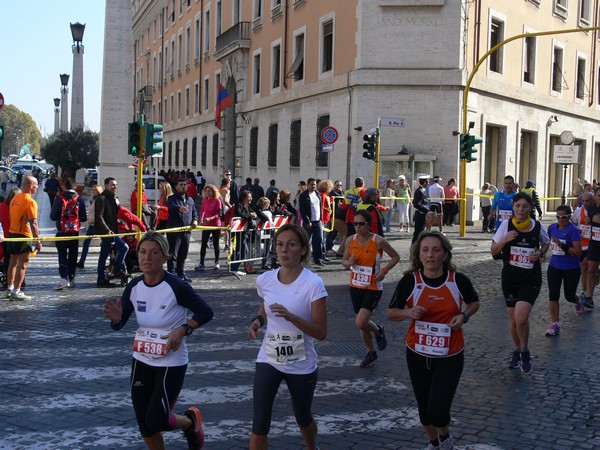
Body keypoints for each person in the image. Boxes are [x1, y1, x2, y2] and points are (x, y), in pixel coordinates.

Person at [102, 231, 214, 450]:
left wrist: (183, 330)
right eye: (143, 252)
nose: (147, 258)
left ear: (164, 257)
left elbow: (206, 312)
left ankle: (190, 422)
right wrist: (116, 319)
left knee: (156, 420)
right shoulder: (133, 286)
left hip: (170, 362)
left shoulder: (176, 286)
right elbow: (120, 323)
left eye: (154, 253)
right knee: (145, 426)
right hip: (142, 359)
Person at [387, 231, 480, 450]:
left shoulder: (458, 281)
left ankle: (445, 436)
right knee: (424, 409)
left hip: (450, 354)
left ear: (445, 255)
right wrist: (408, 313)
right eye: (425, 250)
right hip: (417, 353)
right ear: (418, 256)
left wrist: (463, 316)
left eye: (436, 250)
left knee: (438, 411)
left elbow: (474, 303)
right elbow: (391, 313)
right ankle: (434, 444)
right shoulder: (410, 281)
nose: (430, 255)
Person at [247, 223, 327, 450]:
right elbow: (266, 307)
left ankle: (312, 447)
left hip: (301, 362)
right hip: (269, 357)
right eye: (280, 245)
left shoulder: (313, 284)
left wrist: (293, 318)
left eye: (291, 245)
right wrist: (258, 321)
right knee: (259, 421)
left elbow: (321, 332)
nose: (284, 250)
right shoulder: (266, 280)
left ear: (302, 249)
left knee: (303, 417)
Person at [491, 192, 550, 373]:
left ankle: (525, 350)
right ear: (513, 207)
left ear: (530, 207)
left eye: (525, 206)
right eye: (518, 206)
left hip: (530, 278)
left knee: (521, 318)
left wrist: (540, 253)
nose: (521, 210)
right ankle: (516, 350)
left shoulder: (537, 226)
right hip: (510, 277)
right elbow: (493, 251)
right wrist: (504, 240)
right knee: (513, 320)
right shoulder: (505, 226)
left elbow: (546, 243)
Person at [341, 210, 400, 367]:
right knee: (362, 322)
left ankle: (378, 330)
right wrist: (348, 263)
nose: (357, 227)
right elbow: (344, 261)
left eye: (361, 224)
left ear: (369, 225)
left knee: (361, 322)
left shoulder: (378, 241)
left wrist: (384, 271)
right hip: (355, 285)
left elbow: (396, 256)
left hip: (373, 286)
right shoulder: (350, 240)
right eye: (355, 224)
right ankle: (370, 352)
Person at [545, 205, 582, 336]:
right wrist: (542, 253)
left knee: (569, 296)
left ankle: (579, 300)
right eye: (558, 217)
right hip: (555, 266)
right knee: (553, 295)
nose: (561, 220)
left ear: (569, 217)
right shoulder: (551, 228)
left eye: (564, 217)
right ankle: (555, 324)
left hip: (571, 268)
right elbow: (547, 243)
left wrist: (562, 246)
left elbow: (577, 251)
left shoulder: (573, 230)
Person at [6, 176, 42, 300]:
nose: (37, 187)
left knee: (12, 263)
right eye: (36, 185)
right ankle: (17, 291)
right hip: (24, 235)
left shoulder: (15, 198)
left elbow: (11, 216)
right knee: (22, 265)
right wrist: (37, 240)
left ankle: (10, 288)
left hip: (12, 233)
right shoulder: (30, 201)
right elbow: (33, 223)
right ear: (31, 186)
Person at [50, 178, 87, 290]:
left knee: (62, 254)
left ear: (64, 187)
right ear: (74, 187)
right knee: (73, 255)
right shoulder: (79, 199)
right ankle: (71, 278)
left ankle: (63, 278)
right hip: (74, 233)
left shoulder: (59, 198)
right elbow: (84, 217)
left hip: (61, 232)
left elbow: (52, 217)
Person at [95, 177, 129, 287]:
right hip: (107, 232)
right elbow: (99, 216)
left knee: (124, 247)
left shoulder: (113, 198)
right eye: (112, 185)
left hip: (114, 231)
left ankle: (117, 269)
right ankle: (101, 279)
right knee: (104, 256)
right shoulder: (101, 198)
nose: (115, 187)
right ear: (106, 185)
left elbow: (115, 213)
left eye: (115, 185)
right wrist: (106, 230)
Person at [167, 178, 199, 282]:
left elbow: (194, 212)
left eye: (185, 185)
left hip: (187, 231)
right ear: (176, 187)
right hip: (175, 230)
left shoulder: (190, 200)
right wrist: (179, 208)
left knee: (183, 253)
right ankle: (171, 274)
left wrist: (195, 221)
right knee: (173, 253)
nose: (183, 186)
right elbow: (171, 206)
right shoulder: (172, 198)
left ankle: (181, 273)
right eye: (181, 184)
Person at [195, 184, 223, 272]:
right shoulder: (204, 201)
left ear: (213, 192)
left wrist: (211, 218)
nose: (207, 193)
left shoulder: (217, 201)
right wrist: (201, 219)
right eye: (206, 191)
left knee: (215, 244)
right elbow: (202, 211)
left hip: (215, 225)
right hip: (206, 225)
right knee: (203, 244)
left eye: (209, 191)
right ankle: (201, 263)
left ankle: (216, 262)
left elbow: (219, 214)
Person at [230, 190, 259, 275]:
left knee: (239, 250)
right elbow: (239, 213)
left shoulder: (247, 206)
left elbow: (252, 212)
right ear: (244, 197)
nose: (251, 199)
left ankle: (233, 267)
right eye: (249, 197)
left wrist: (254, 214)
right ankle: (234, 268)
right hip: (237, 230)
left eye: (251, 197)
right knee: (243, 250)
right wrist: (250, 216)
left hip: (243, 231)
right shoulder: (239, 204)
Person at [299, 178, 325, 266]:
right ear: (308, 185)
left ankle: (318, 259)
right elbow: (302, 210)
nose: (314, 186)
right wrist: (307, 221)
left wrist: (321, 219)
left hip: (318, 221)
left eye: (314, 184)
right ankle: (305, 260)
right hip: (308, 222)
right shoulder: (303, 196)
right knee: (306, 241)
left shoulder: (318, 194)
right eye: (312, 184)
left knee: (319, 240)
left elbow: (320, 207)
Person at [582, 186, 600, 310]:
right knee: (591, 269)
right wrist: (589, 221)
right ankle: (589, 297)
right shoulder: (591, 207)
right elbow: (590, 223)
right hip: (594, 242)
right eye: (599, 196)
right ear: (594, 196)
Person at [573, 192, 592, 306]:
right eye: (583, 201)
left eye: (587, 201)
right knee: (583, 270)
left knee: (586, 266)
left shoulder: (596, 211)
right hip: (581, 245)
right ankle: (584, 290)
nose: (585, 203)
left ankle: (586, 292)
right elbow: (574, 222)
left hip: (592, 245)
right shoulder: (579, 211)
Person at [77, 184, 103, 268]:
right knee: (86, 242)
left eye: (95, 190)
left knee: (106, 243)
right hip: (92, 223)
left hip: (98, 224)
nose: (93, 191)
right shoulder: (92, 199)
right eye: (92, 189)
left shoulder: (100, 199)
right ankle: (82, 261)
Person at [326, 180, 346, 257]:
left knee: (335, 233)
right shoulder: (333, 193)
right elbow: (339, 196)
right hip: (333, 215)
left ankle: (331, 247)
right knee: (331, 232)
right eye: (337, 185)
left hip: (339, 216)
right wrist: (341, 193)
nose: (339, 187)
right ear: (334, 185)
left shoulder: (341, 192)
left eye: (340, 185)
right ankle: (328, 248)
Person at [412, 176, 430, 244]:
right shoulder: (420, 191)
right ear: (424, 182)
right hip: (420, 215)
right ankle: (414, 249)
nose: (428, 183)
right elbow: (416, 204)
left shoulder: (421, 190)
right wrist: (427, 210)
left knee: (419, 234)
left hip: (421, 215)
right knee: (418, 234)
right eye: (427, 181)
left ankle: (416, 249)